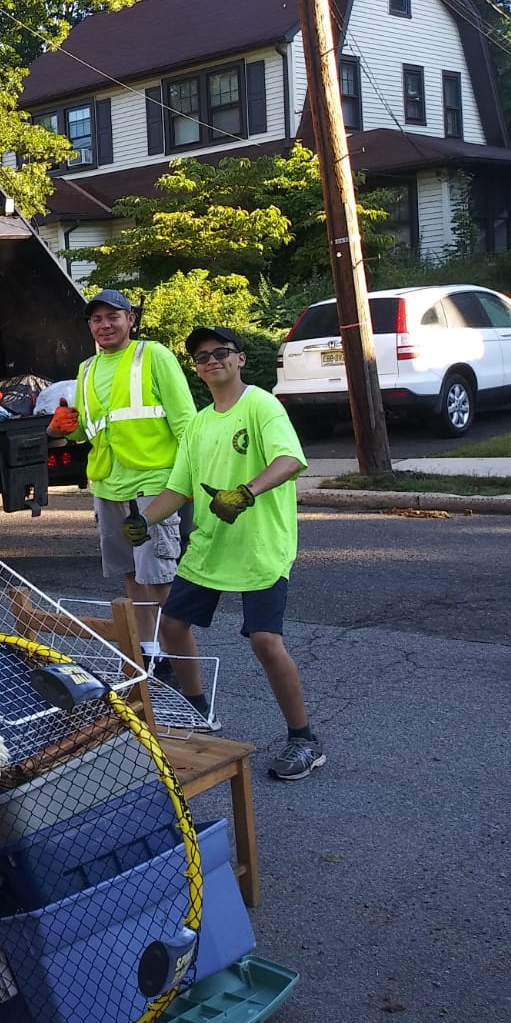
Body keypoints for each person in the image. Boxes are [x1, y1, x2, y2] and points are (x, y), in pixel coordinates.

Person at [124, 326, 324, 781]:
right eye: (200, 357)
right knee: (172, 626)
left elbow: (290, 460)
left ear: (239, 360)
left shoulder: (261, 405)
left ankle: (304, 739)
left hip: (259, 547)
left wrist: (247, 492)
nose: (210, 360)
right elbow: (178, 487)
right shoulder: (198, 422)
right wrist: (146, 521)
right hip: (211, 545)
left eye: (219, 353)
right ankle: (198, 712)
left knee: (265, 642)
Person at [49, 289, 196, 674]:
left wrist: (191, 480)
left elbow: (185, 423)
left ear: (131, 319)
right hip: (108, 484)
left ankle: (175, 658)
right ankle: (147, 652)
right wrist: (66, 428)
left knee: (159, 575)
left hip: (154, 483)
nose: (104, 325)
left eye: (113, 316)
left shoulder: (154, 356)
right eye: (96, 319)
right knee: (131, 575)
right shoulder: (87, 369)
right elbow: (91, 431)